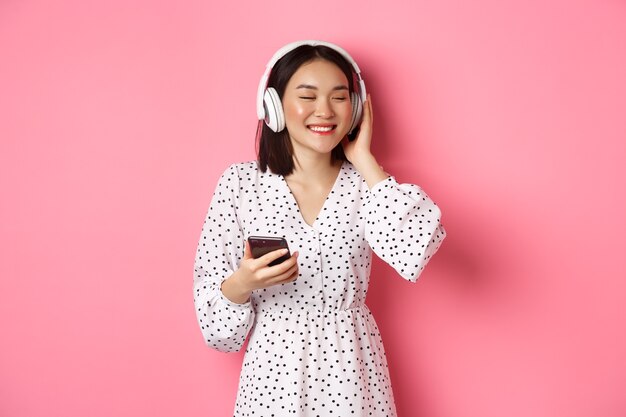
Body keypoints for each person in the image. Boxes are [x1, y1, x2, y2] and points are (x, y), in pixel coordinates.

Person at [193, 40, 446, 416]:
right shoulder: (240, 185)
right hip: (272, 379)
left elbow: (415, 251)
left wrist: (366, 160)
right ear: (273, 106)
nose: (324, 111)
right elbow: (217, 332)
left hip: (353, 375)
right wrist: (244, 283)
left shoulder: (368, 187)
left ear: (357, 107)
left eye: (339, 97)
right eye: (307, 96)